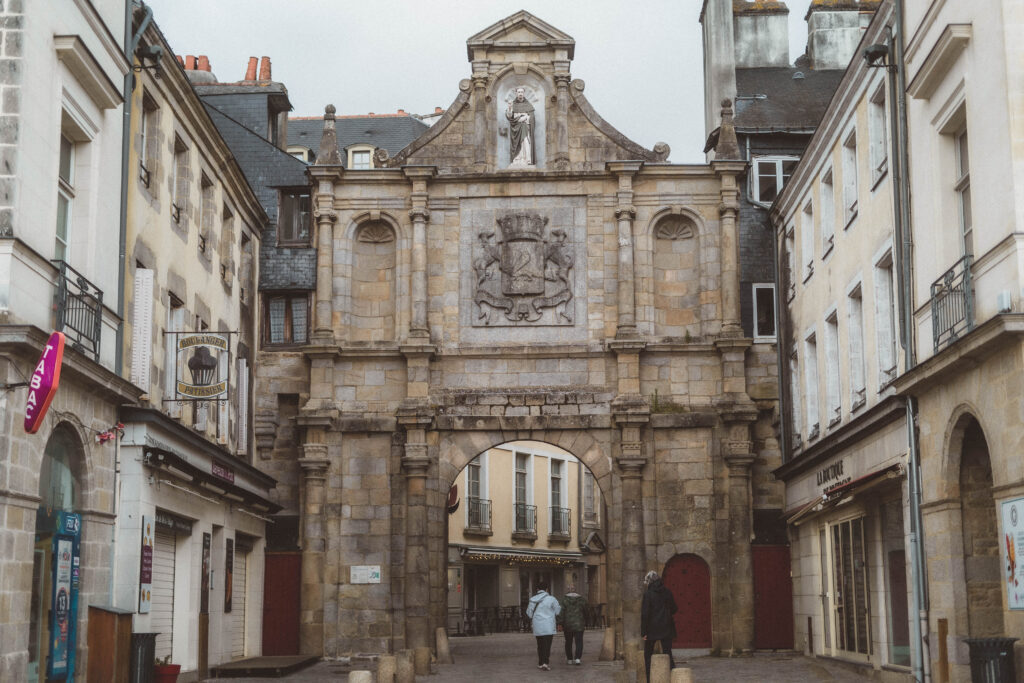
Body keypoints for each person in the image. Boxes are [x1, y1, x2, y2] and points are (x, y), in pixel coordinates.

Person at [640, 569, 677, 681]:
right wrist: (666, 615)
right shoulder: (667, 592)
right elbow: (675, 608)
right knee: (668, 654)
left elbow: (645, 614)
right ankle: (672, 677)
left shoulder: (648, 594)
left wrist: (644, 632)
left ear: (649, 582)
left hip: (652, 628)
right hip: (667, 627)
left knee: (648, 655)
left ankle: (649, 679)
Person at [526, 580, 561, 671]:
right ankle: (545, 662)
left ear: (537, 589)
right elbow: (558, 611)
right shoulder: (552, 599)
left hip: (538, 625)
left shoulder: (533, 599)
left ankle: (540, 662)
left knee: (540, 644)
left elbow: (529, 613)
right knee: (547, 645)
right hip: (548, 625)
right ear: (547, 589)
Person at [506, 87, 535, 166]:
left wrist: (526, 118)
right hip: (515, 129)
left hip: (525, 127)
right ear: (516, 93)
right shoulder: (513, 104)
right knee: (516, 143)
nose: (520, 93)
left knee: (525, 142)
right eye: (518, 92)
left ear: (524, 93)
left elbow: (532, 118)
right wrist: (510, 108)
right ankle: (517, 158)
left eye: (522, 92)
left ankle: (527, 159)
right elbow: (509, 116)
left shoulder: (528, 105)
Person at [559, 584, 587, 665]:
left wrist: (560, 622)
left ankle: (569, 659)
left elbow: (561, 612)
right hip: (579, 623)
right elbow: (586, 610)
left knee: (568, 641)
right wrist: (585, 619)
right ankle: (578, 658)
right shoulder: (581, 599)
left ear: (567, 590)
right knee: (579, 641)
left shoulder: (564, 600)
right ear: (575, 590)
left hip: (568, 624)